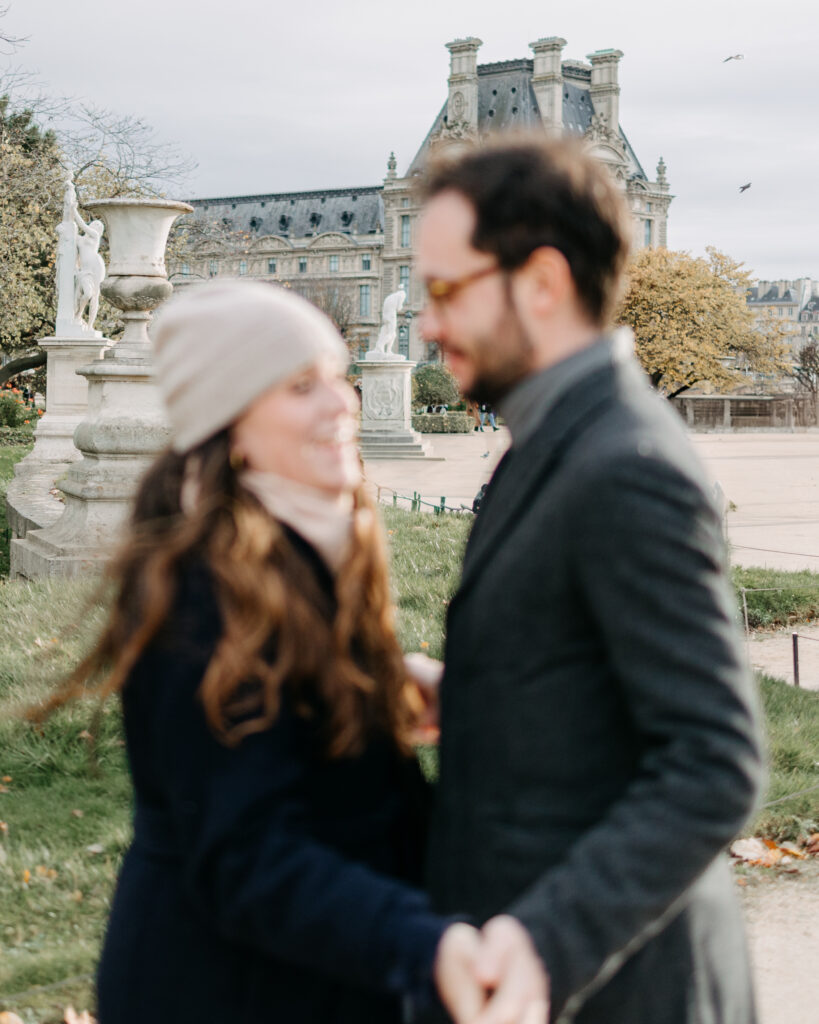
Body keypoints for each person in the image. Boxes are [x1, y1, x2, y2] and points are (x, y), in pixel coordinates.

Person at [30, 281, 546, 1024]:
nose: (343, 404)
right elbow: (246, 854)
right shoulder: (202, 594)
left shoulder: (303, 541)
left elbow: (274, 717)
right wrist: (425, 945)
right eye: (302, 386)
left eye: (338, 377)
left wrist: (375, 689)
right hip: (223, 990)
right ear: (229, 425)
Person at [416, 138, 764, 1024]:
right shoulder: (560, 431)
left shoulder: (624, 464)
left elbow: (713, 761)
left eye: (445, 289)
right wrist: (473, 696)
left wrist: (545, 943)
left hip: (618, 990)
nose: (424, 322)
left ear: (539, 282)